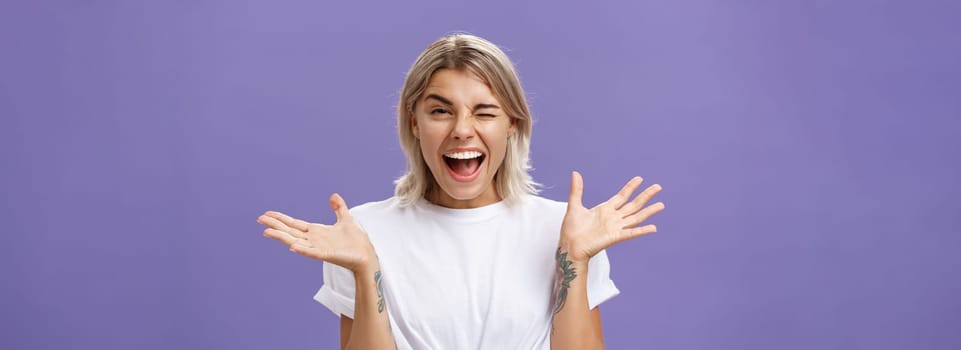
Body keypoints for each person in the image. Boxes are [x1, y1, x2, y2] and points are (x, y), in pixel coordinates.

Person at [257, 33, 665, 350]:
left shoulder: (566, 231)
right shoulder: (361, 232)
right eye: (440, 111)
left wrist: (574, 259)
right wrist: (366, 270)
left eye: (484, 111)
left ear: (513, 124)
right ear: (414, 122)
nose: (462, 129)